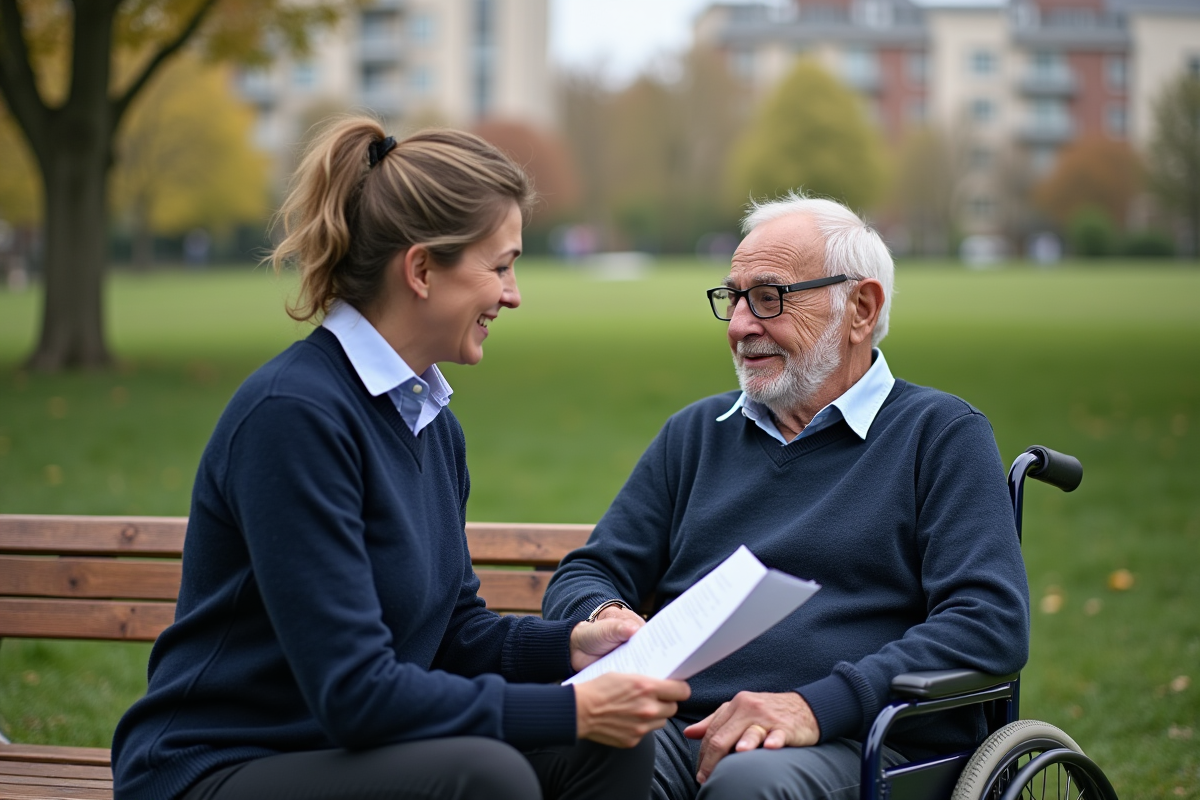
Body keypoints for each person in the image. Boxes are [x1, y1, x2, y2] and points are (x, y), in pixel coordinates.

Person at [111, 118, 689, 800]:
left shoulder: (430, 424)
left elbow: (450, 632)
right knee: (489, 776)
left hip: (351, 756)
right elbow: (355, 694)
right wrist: (569, 707)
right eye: (500, 266)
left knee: (608, 746)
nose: (513, 293)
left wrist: (568, 648)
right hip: (215, 767)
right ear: (420, 270)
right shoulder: (293, 417)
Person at [542, 193, 1030, 800]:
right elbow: (590, 569)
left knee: (751, 783)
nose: (742, 325)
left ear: (860, 307)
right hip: (679, 727)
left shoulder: (938, 434)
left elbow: (989, 623)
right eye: (734, 298)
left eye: (769, 297)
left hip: (858, 740)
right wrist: (601, 613)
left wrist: (815, 706)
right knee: (562, 745)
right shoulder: (695, 435)